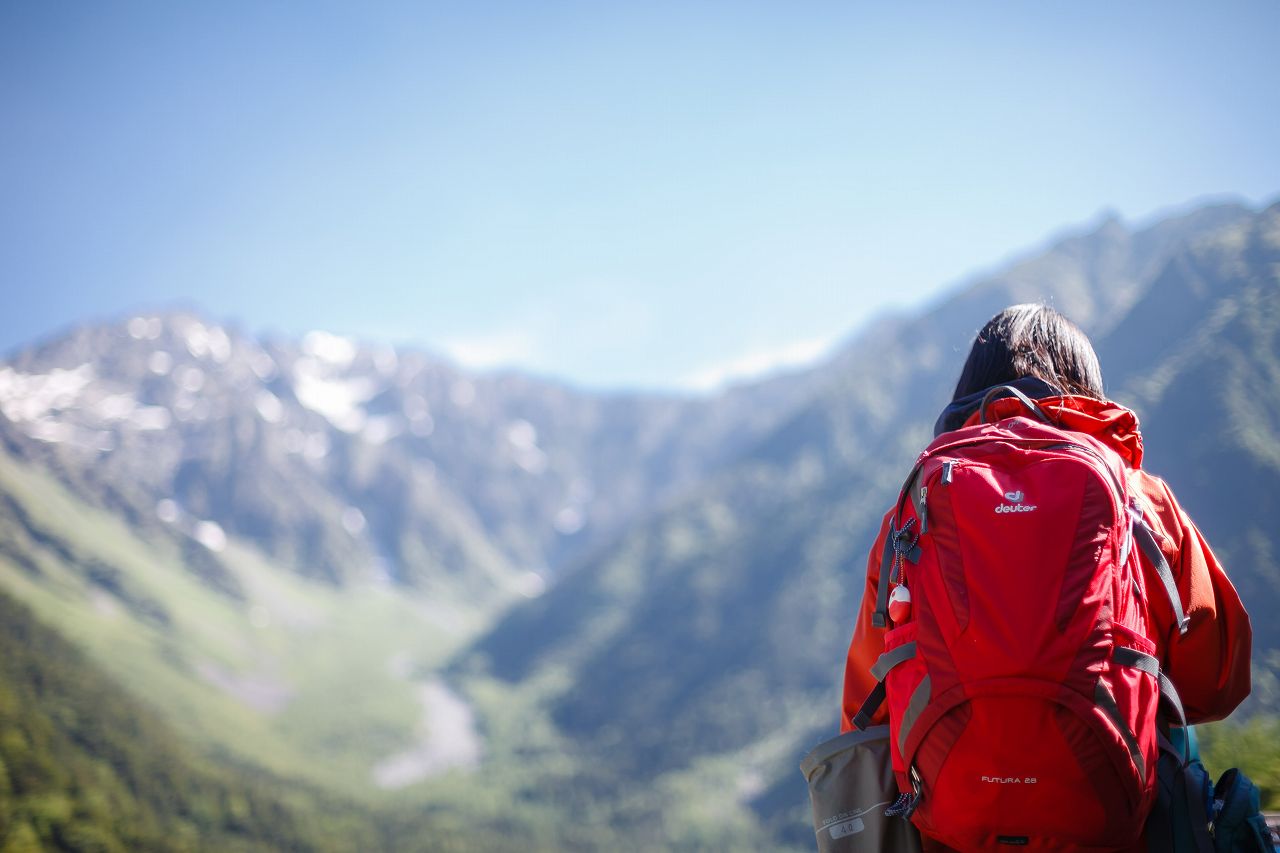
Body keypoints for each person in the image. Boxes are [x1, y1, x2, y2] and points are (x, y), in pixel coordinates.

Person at [838, 304, 1252, 852]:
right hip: (1113, 824)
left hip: (954, 830)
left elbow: (867, 713)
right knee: (1170, 720)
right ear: (1088, 391)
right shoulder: (1141, 500)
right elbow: (1217, 684)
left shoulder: (911, 515)